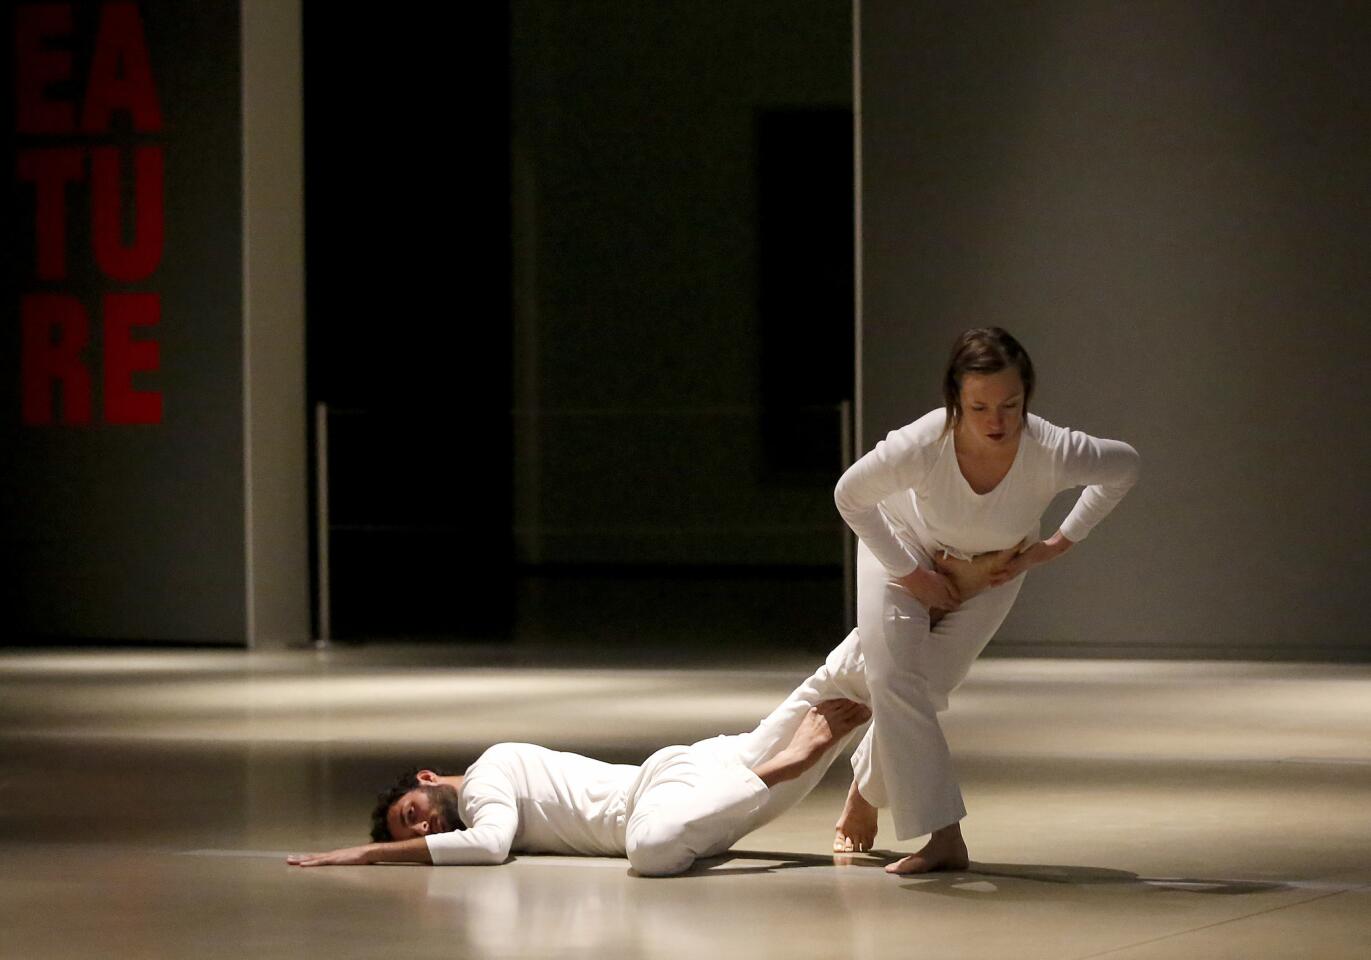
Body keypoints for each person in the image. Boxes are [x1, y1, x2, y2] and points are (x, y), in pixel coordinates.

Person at [831, 327, 1140, 875]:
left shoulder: (1052, 449)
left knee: (926, 689)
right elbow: (850, 495)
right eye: (979, 407)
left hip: (995, 570)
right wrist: (911, 573)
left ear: (1027, 399)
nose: (996, 421)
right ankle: (944, 835)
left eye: (1010, 406)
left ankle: (866, 785)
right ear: (955, 401)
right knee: (892, 677)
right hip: (903, 548)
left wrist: (1056, 545)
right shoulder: (924, 444)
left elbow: (1123, 467)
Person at [287, 633, 877, 876]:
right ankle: (910, 606)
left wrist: (372, 854)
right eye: (410, 829)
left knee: (646, 854)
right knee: (834, 683)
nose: (425, 822)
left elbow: (491, 846)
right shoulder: (488, 802)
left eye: (412, 810)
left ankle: (787, 765)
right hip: (704, 796)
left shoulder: (486, 779)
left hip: (663, 795)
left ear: (428, 778)